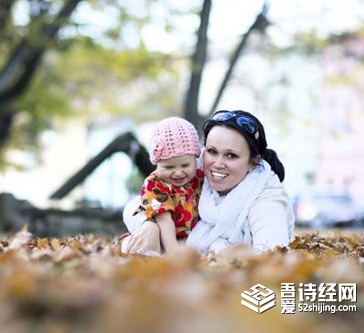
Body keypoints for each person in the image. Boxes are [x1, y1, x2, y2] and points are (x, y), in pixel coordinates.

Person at [123, 109, 294, 255]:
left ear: (253, 162)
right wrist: (149, 224)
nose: (218, 164)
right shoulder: (194, 166)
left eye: (231, 155)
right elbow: (136, 204)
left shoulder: (266, 193)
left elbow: (272, 254)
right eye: (212, 151)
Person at [121, 117, 204, 254]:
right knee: (145, 249)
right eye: (168, 167)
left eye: (185, 165)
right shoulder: (156, 184)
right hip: (160, 238)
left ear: (195, 159)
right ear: (156, 163)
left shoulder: (200, 178)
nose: (178, 173)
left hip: (189, 240)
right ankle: (128, 247)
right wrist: (173, 251)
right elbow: (164, 220)